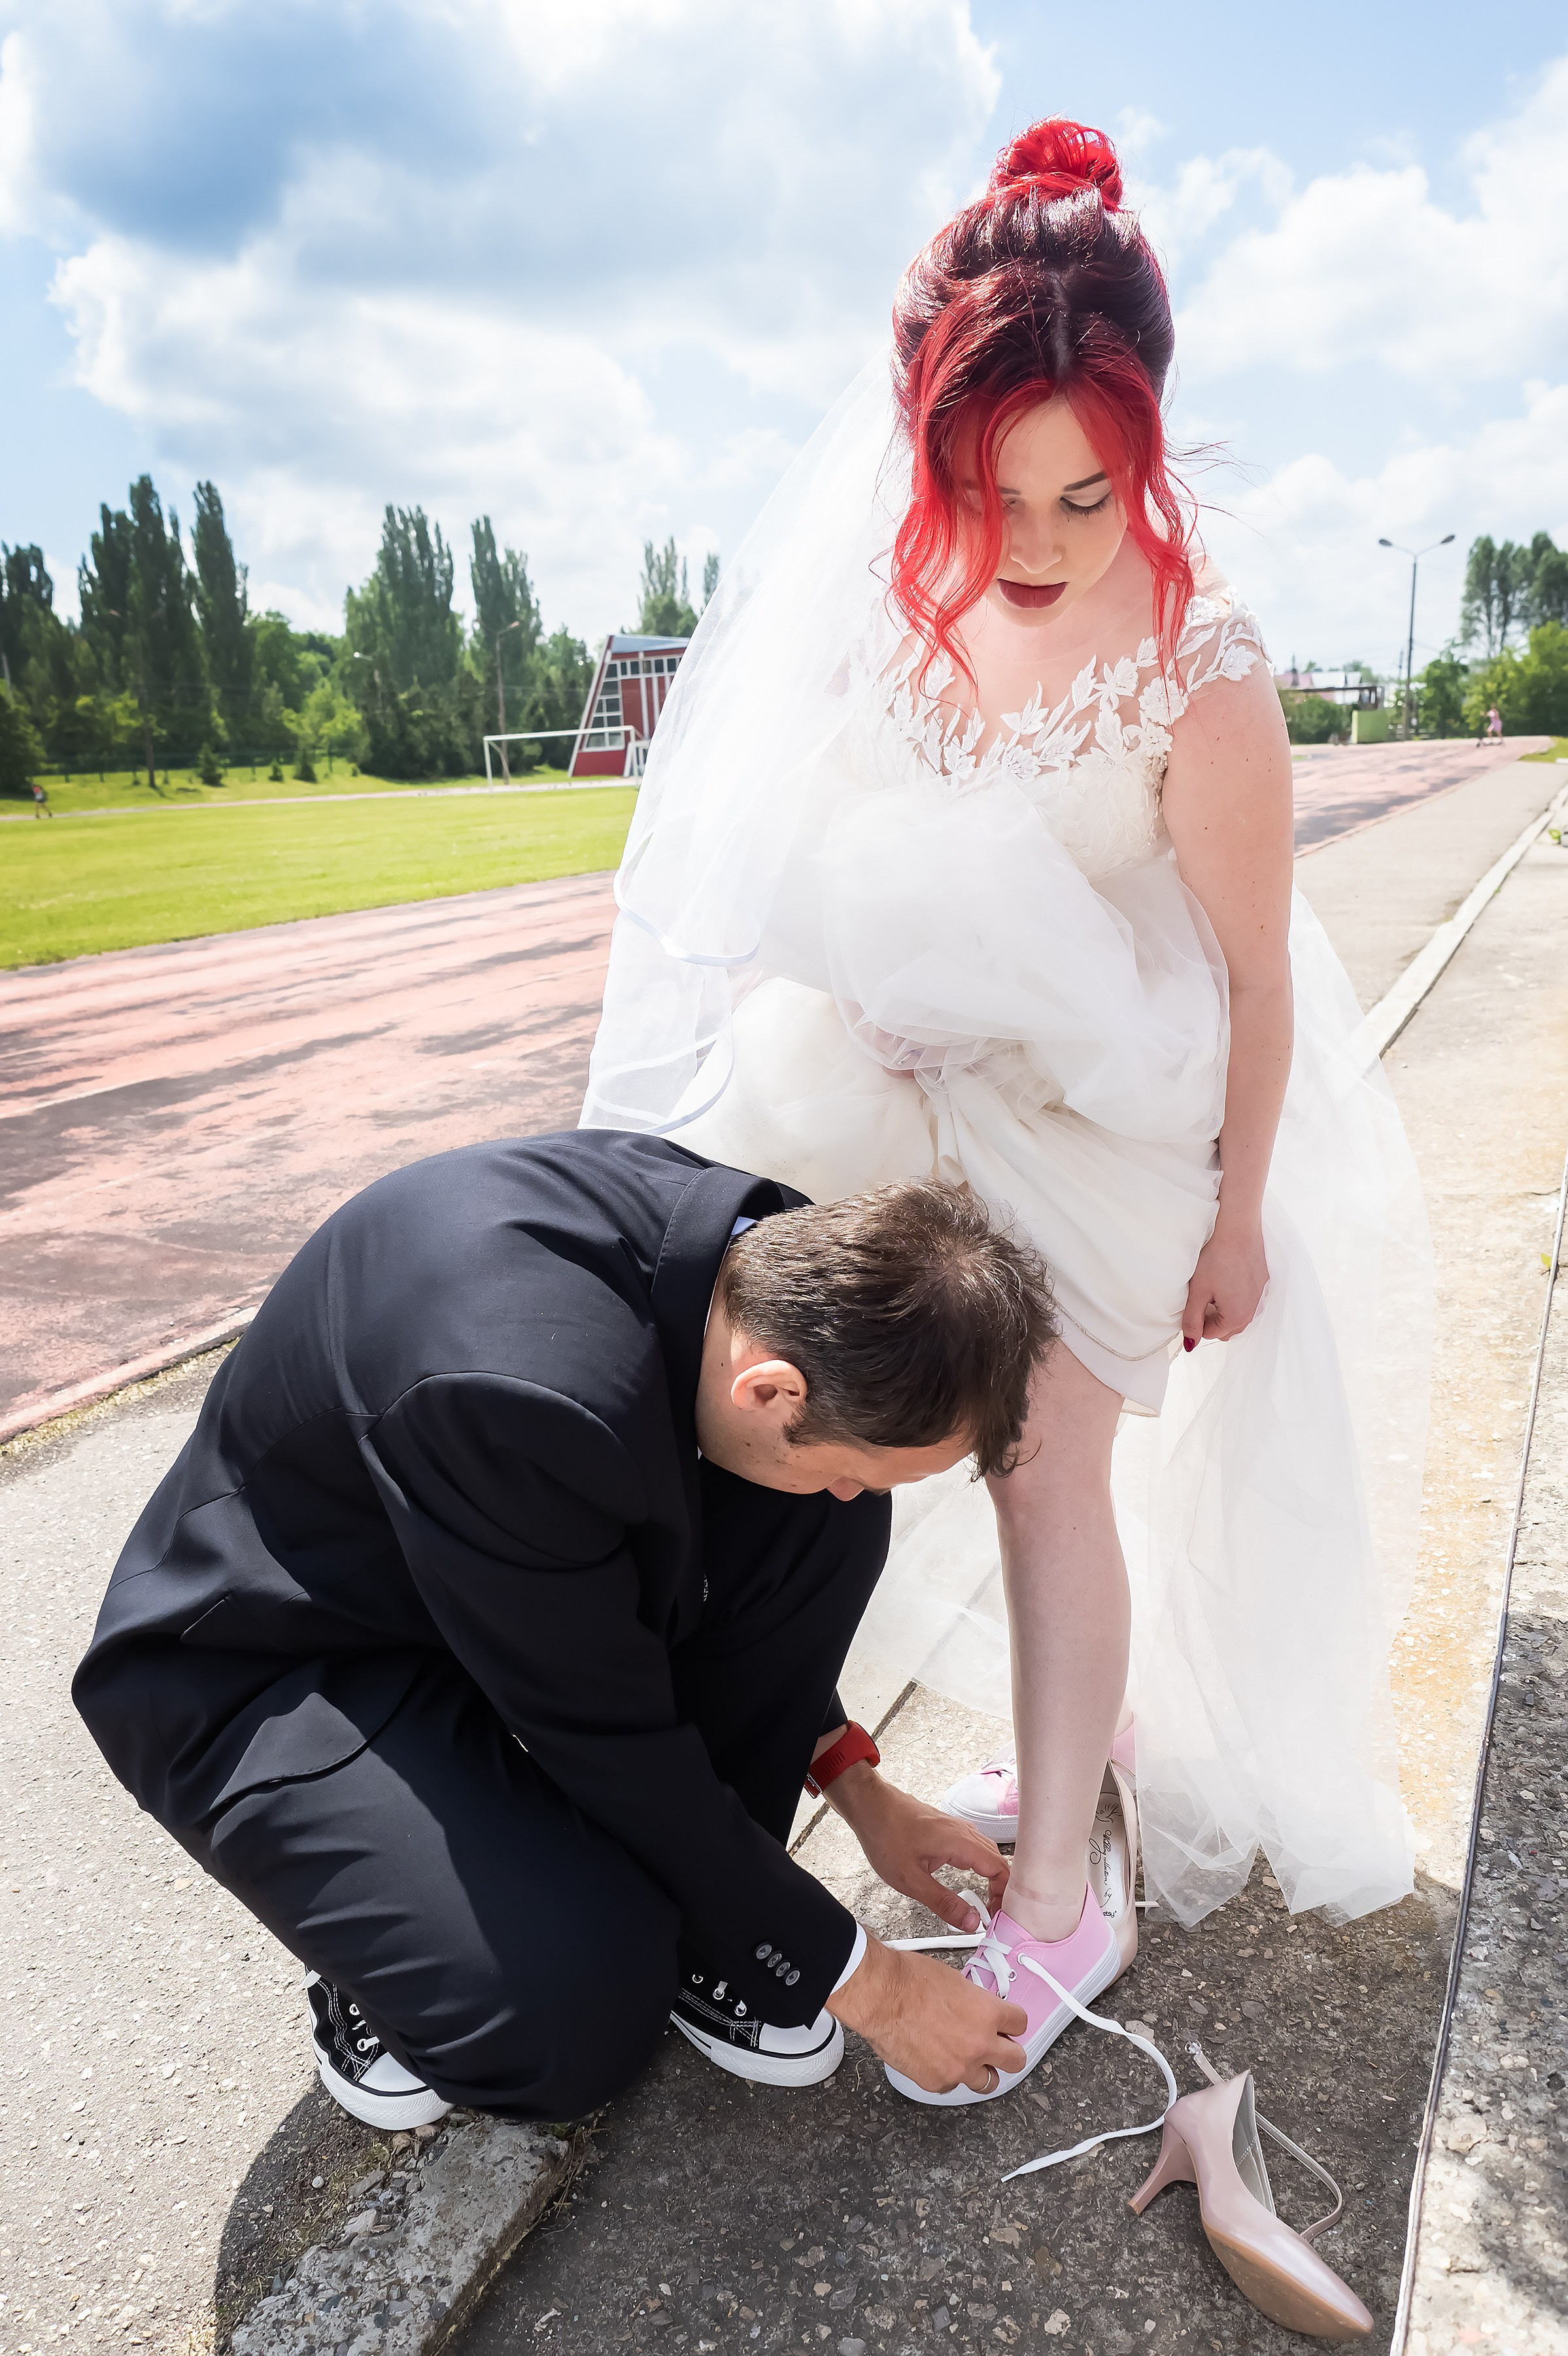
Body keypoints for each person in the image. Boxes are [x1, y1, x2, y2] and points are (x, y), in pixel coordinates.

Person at [581, 115, 1431, 2103]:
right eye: (988, 492)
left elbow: (1246, 974)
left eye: (1082, 489)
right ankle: (1046, 1743)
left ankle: (1060, 1887)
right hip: (886, 1089)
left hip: (1100, 1120)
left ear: (1143, 446)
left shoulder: (1199, 672)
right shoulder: (895, 601)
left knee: (1042, 1459)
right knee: (844, 1407)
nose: (1035, 541)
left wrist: (1229, 1224)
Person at [74, 1130, 1059, 2126]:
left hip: (504, 1585)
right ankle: (377, 1972)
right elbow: (609, 1736)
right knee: (567, 2018)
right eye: (854, 1460)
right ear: (768, 1388)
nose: (855, 1490)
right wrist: (875, 1985)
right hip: (283, 1659)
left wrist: (850, 1776)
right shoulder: (518, 1395)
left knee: (818, 1517)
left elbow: (714, 1571)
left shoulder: (772, 1273)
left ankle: (709, 1919)